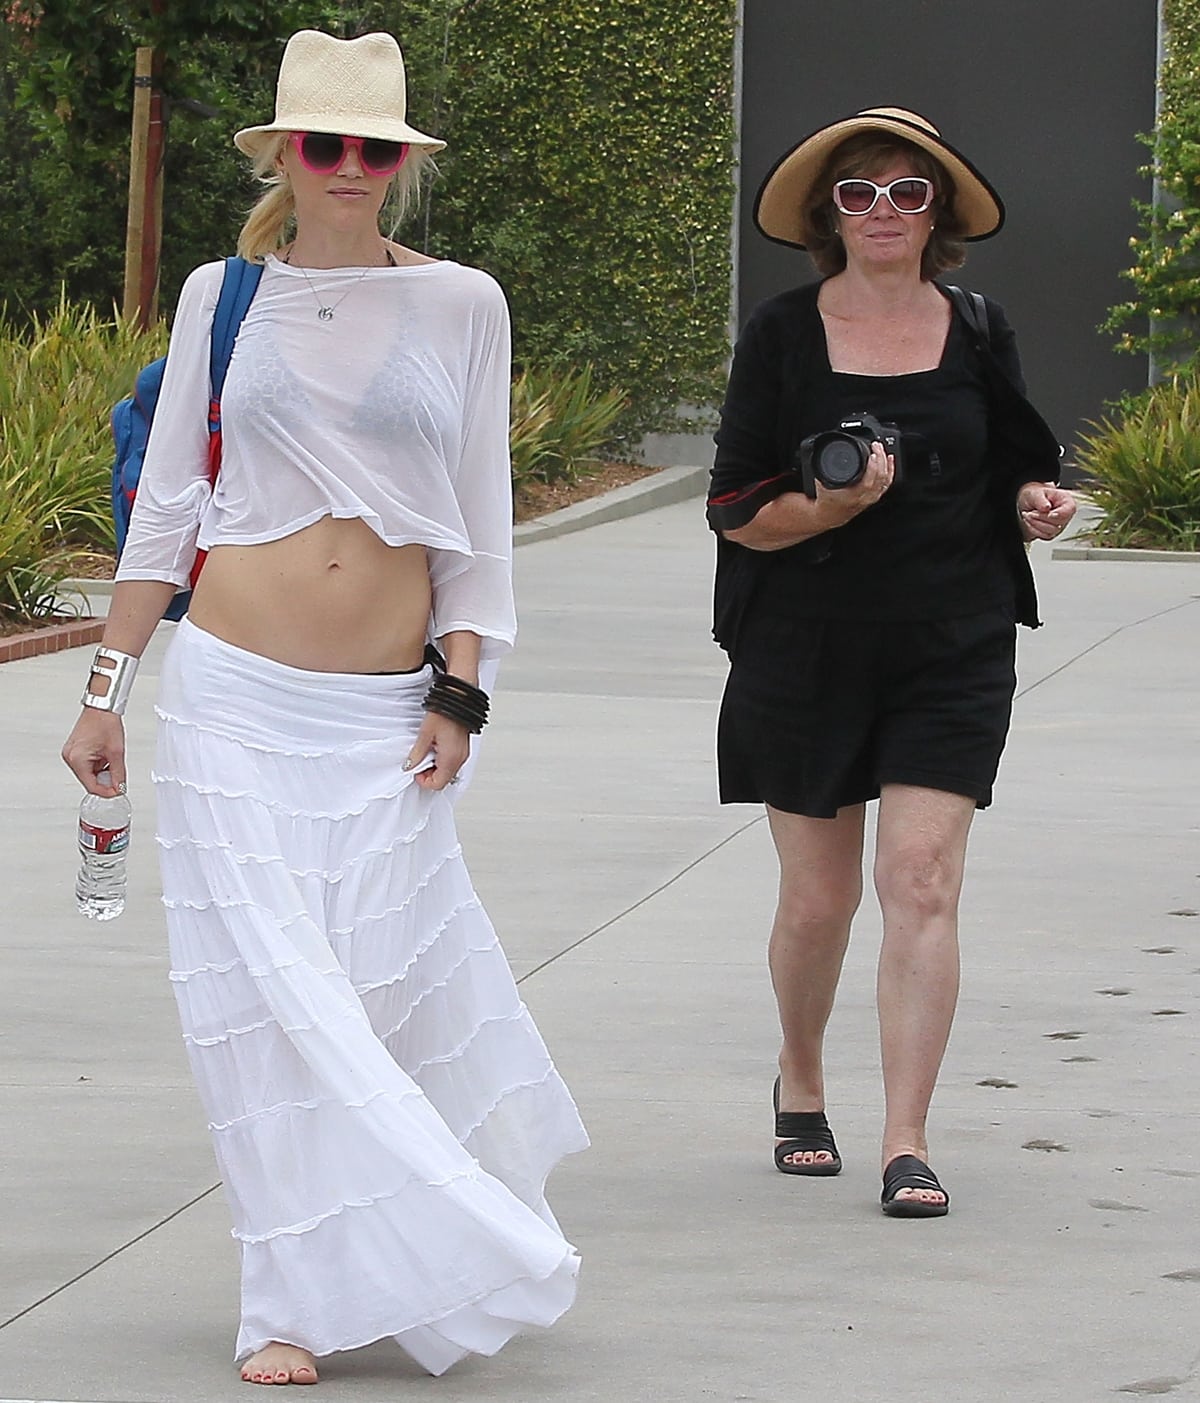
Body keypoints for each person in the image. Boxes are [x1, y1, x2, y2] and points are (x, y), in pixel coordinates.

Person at [62, 28, 587, 1385]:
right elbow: (168, 501)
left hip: (381, 713)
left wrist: (465, 685)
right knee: (263, 1007)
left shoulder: (465, 302)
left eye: (373, 149)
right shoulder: (222, 296)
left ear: (399, 165)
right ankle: (282, 1299)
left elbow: (478, 517)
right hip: (233, 694)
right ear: (287, 157)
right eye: (324, 144)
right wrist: (107, 687)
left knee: (373, 995)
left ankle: (405, 1254)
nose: (348, 168)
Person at [706, 107, 1075, 1218]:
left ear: (938, 216)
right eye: (860, 193)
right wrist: (830, 505)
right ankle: (803, 1072)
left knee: (919, 880)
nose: (882, 212)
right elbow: (734, 510)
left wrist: (1032, 501)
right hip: (803, 646)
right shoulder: (779, 333)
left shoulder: (977, 326)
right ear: (830, 215)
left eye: (907, 193)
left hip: (951, 643)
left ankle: (906, 1138)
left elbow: (1010, 466)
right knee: (819, 901)